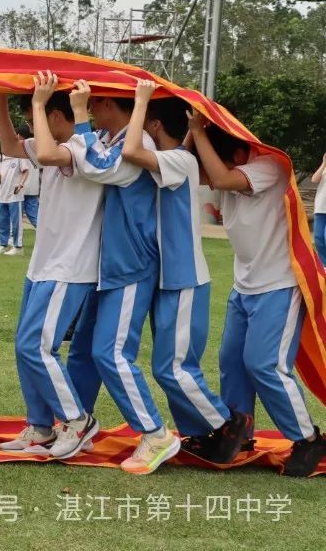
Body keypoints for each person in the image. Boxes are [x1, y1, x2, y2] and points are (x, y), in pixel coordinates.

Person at [188, 113, 326, 477]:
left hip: (279, 285)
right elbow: (190, 170)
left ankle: (308, 438)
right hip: (244, 286)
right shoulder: (229, 169)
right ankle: (240, 435)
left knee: (264, 365)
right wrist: (191, 137)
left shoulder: (271, 166)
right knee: (232, 362)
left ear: (235, 150)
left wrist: (198, 132)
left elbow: (217, 176)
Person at [121, 80, 247, 464]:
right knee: (169, 368)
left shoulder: (179, 160)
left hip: (184, 279)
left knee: (172, 367)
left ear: (155, 126)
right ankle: (204, 431)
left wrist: (141, 101)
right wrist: (191, 131)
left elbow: (130, 150)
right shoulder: (180, 158)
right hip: (170, 279)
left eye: (144, 122)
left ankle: (228, 423)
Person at [64, 80, 178, 475]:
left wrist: (77, 116)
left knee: (110, 354)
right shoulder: (111, 138)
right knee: (83, 349)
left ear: (109, 102)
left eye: (93, 103)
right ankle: (76, 426)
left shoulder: (136, 141)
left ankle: (155, 432)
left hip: (131, 264)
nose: (90, 110)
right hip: (108, 264)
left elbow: (97, 167)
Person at [0, 74, 104, 459]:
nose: (32, 127)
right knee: (25, 347)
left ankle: (77, 420)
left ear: (56, 115)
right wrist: (0, 97)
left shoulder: (80, 147)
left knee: (37, 347)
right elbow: (10, 145)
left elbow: (42, 155)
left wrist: (37, 105)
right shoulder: (54, 142)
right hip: (44, 264)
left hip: (69, 267)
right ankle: (40, 426)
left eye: (37, 118)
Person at [0, 147, 30, 256]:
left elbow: (26, 171)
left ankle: (18, 247)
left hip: (15, 194)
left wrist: (21, 184)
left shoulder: (19, 155)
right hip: (2, 194)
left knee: (16, 222)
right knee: (2, 221)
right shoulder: (1, 156)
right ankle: (3, 245)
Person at [19, 124, 41, 228]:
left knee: (16, 215)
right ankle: (44, 235)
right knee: (34, 216)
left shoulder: (21, 147)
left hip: (21, 187)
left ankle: (12, 238)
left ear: (20, 135)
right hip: (33, 188)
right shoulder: (38, 146)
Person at [313, 152, 326, 266]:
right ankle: (324, 265)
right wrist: (323, 164)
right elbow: (314, 180)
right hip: (320, 208)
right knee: (318, 239)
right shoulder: (324, 170)